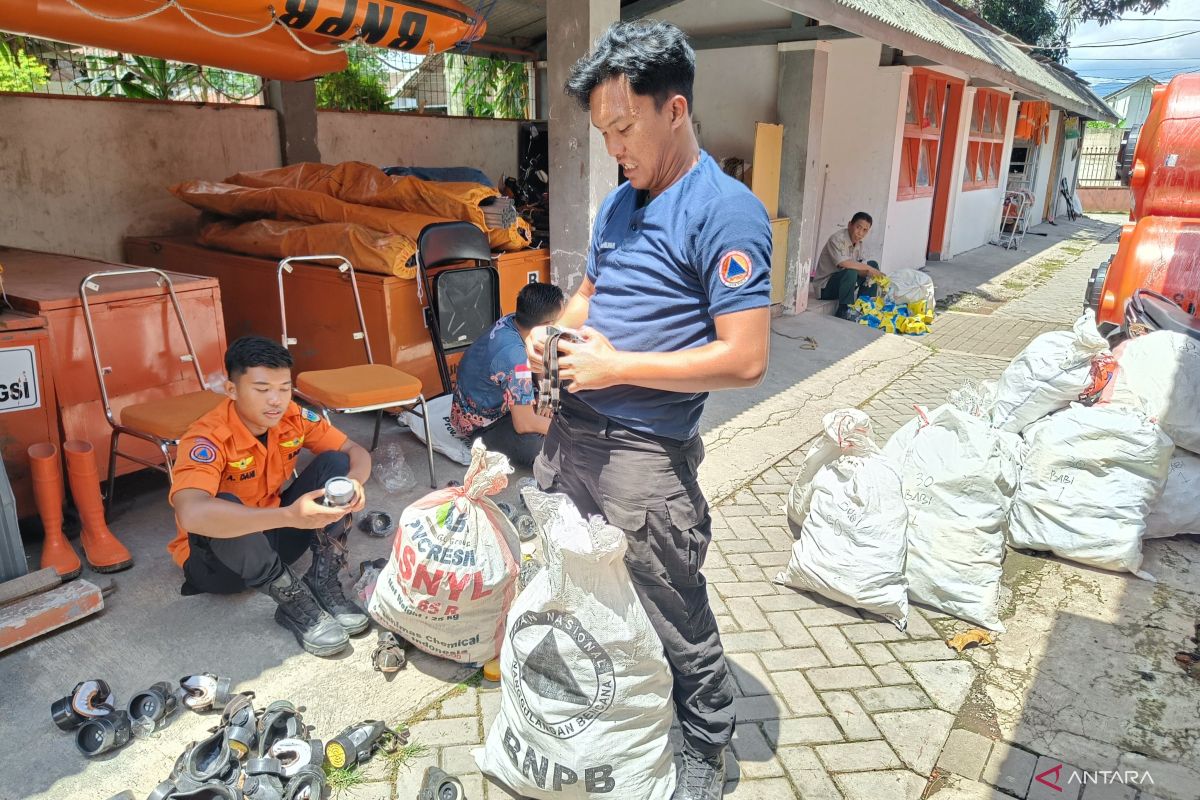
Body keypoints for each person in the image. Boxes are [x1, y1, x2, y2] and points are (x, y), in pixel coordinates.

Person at [530, 21, 771, 800]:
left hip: (645, 451)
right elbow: (591, 296)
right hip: (574, 433)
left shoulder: (726, 211)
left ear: (675, 109)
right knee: (582, 582)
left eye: (624, 128)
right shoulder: (618, 207)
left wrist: (616, 365)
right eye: (603, 133)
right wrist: (554, 334)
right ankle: (617, 700)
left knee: (670, 600)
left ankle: (706, 741)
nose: (614, 149)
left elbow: (746, 356)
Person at [169, 336, 372, 658]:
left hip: (276, 536)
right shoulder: (207, 437)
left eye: (283, 388)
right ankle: (293, 604)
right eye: (262, 390)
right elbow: (191, 513)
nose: (275, 400)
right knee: (223, 504)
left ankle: (322, 580)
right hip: (221, 567)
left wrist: (354, 484)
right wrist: (289, 516)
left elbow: (353, 451)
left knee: (336, 465)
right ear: (232, 390)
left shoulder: (291, 417)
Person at [450, 282, 565, 467]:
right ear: (546, 325)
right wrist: (567, 431)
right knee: (539, 448)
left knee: (561, 384)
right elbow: (524, 424)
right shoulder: (515, 359)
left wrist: (547, 395)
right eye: (557, 322)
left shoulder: (514, 322)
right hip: (483, 425)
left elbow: (540, 361)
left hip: (495, 402)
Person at [812, 211, 884, 320]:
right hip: (825, 288)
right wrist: (869, 269)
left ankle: (865, 306)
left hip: (844, 284)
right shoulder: (837, 239)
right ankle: (844, 310)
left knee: (873, 265)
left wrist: (872, 272)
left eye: (865, 230)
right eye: (858, 227)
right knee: (853, 271)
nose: (860, 233)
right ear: (850, 225)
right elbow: (843, 263)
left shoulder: (858, 244)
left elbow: (860, 266)